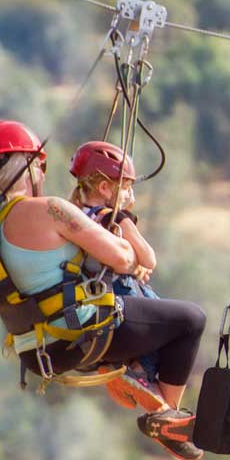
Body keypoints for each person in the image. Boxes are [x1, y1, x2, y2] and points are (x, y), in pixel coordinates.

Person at [0, 120, 205, 460]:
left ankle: (135, 373)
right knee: (190, 320)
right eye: (41, 166)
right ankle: (166, 414)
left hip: (37, 351)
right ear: (30, 165)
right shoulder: (51, 209)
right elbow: (125, 258)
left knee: (132, 310)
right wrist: (120, 230)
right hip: (81, 333)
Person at [68, 140, 160, 389]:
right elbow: (149, 258)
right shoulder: (114, 217)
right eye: (127, 187)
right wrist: (138, 261)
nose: (131, 195)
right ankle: (141, 374)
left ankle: (128, 367)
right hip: (119, 292)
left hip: (88, 296)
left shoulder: (73, 216)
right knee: (164, 324)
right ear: (105, 187)